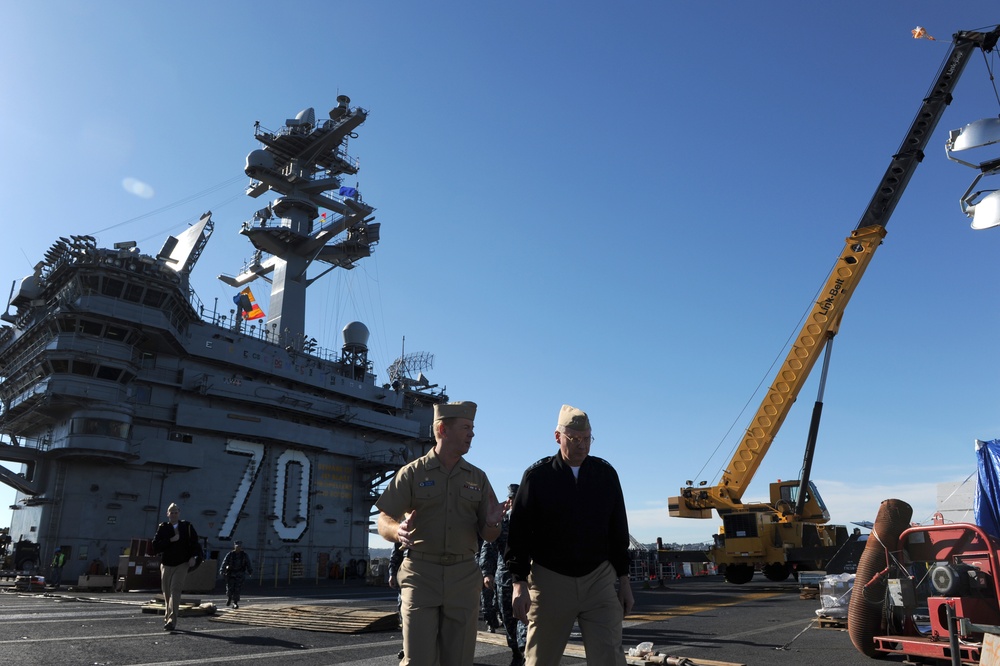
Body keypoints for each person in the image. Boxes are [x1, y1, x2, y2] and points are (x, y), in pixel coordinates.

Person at [375, 400, 505, 666]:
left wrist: (492, 523)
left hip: (463, 577)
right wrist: (395, 530)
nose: (472, 433)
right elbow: (383, 519)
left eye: (472, 427)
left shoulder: (478, 478)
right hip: (421, 575)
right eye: (466, 427)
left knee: (458, 660)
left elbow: (489, 535)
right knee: (417, 659)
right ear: (443, 430)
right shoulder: (412, 473)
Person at [506, 405, 634, 666]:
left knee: (610, 657)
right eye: (575, 439)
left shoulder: (605, 474)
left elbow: (618, 530)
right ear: (558, 437)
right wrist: (518, 581)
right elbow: (518, 533)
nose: (583, 446)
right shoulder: (537, 477)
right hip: (551, 580)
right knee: (540, 659)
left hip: (598, 579)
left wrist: (625, 580)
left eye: (588, 439)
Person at [480, 483, 527, 666]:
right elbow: (488, 547)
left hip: (525, 580)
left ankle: (524, 653)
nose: (514, 502)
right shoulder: (501, 522)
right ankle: (516, 652)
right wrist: (487, 573)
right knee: (509, 620)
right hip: (504, 579)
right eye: (512, 499)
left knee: (524, 618)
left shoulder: (531, 522)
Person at [151, 503, 202, 631]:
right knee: (167, 593)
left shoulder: (187, 526)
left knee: (175, 591)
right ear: (167, 514)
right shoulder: (163, 528)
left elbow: (195, 544)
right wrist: (170, 540)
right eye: (171, 512)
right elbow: (155, 546)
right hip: (167, 564)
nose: (173, 514)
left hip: (182, 564)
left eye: (175, 512)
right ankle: (167, 617)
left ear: (179, 513)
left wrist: (194, 557)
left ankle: (172, 621)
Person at [219, 540, 253, 609]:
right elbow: (224, 562)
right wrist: (222, 570)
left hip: (240, 574)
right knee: (229, 588)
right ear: (234, 546)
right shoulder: (230, 554)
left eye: (239, 546)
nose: (238, 548)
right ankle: (229, 598)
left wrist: (250, 571)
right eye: (237, 546)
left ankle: (235, 603)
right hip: (231, 573)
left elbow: (248, 564)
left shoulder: (244, 555)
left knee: (237, 589)